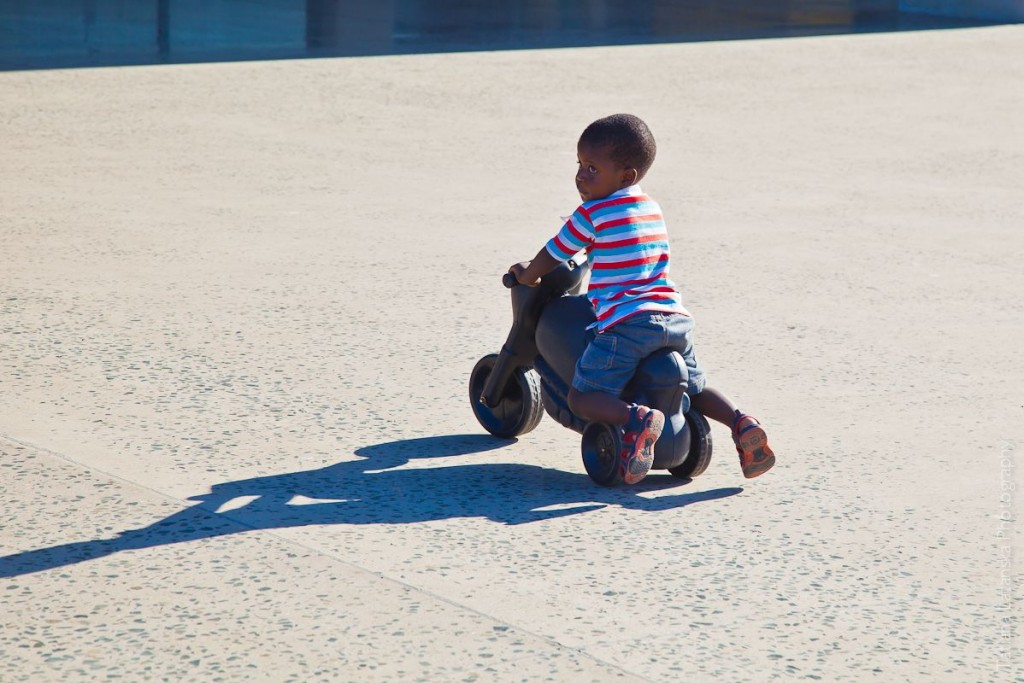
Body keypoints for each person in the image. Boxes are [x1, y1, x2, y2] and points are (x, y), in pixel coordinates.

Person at [509, 113, 775, 484]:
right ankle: (741, 421)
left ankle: (635, 419)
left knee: (583, 397)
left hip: (628, 323)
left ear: (626, 176)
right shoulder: (650, 207)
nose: (580, 177)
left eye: (592, 169)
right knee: (694, 389)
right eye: (579, 165)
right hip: (674, 317)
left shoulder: (592, 213)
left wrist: (530, 274)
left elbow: (556, 251)